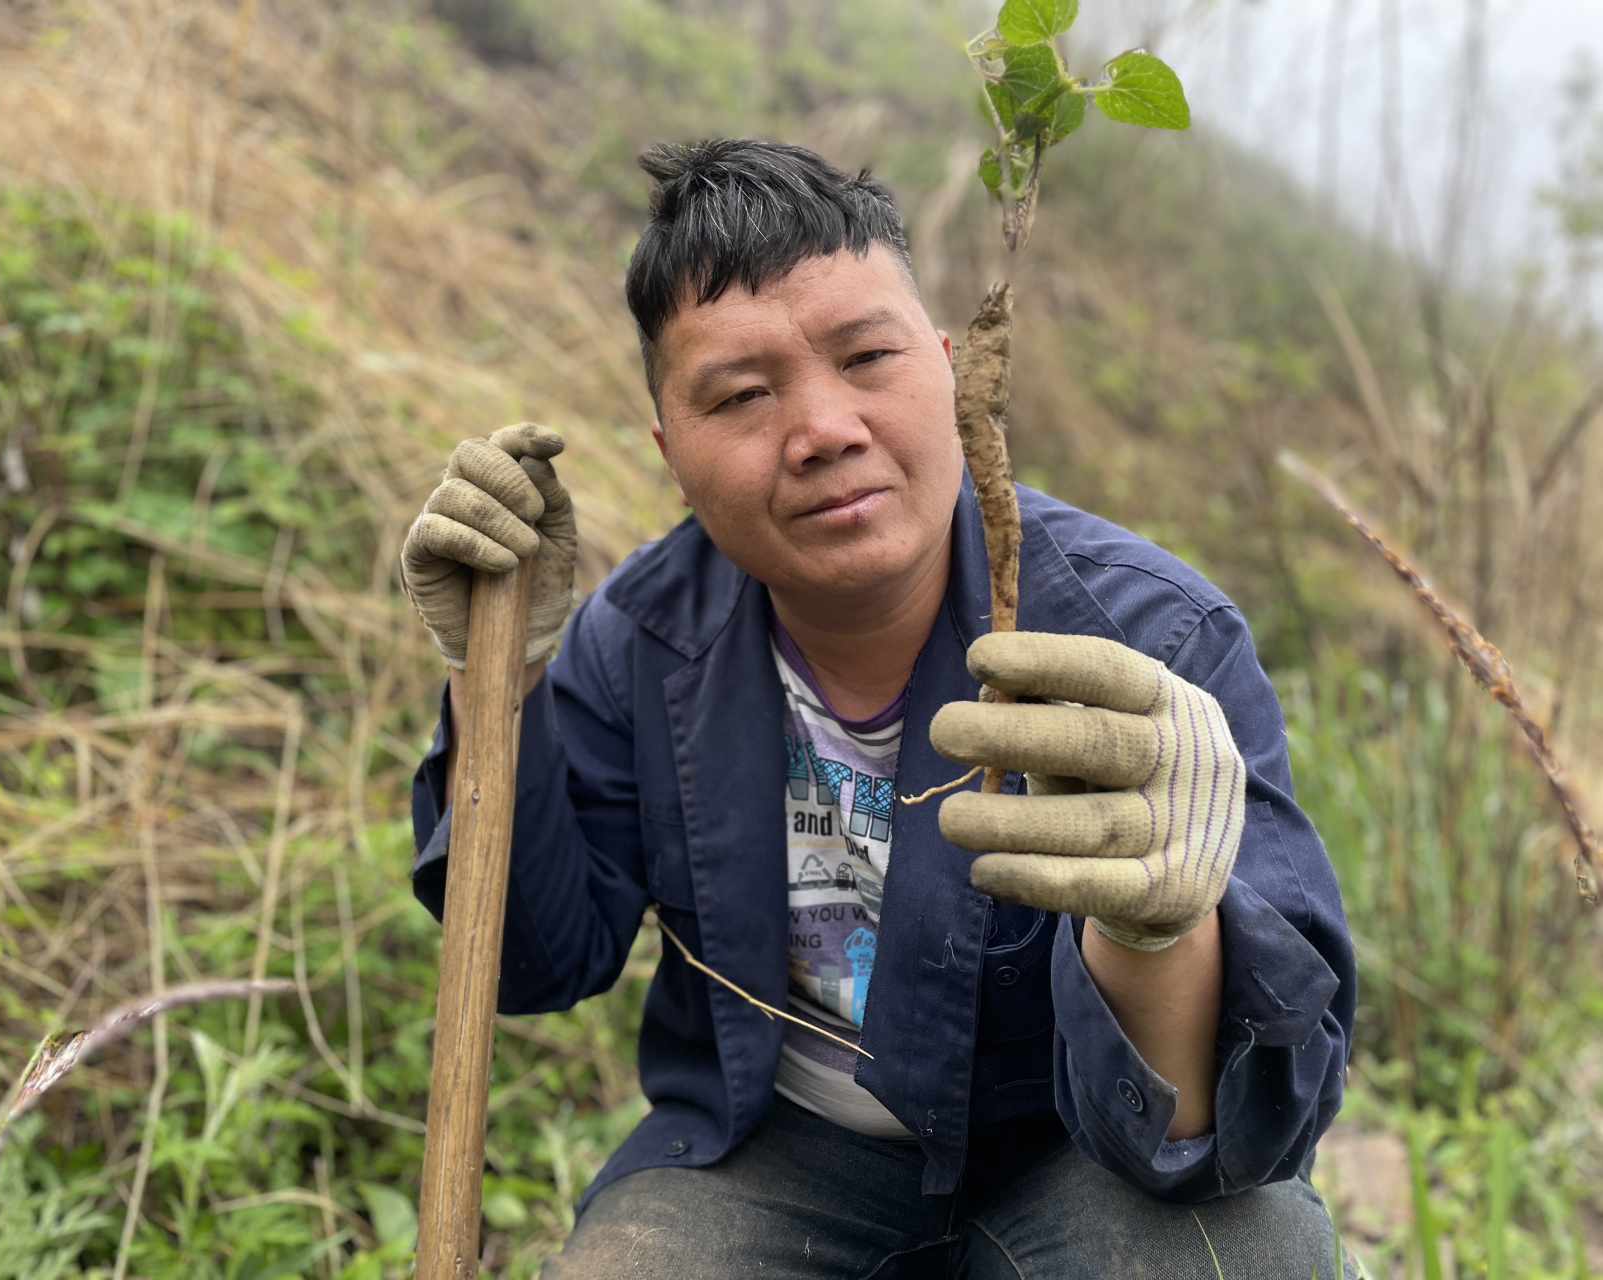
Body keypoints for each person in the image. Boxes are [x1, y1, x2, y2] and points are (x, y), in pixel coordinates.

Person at [401, 139, 1355, 1278]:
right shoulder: (642, 641)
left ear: (953, 370)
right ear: (670, 453)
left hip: (1089, 1155)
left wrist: (1163, 925)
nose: (822, 429)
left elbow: (1256, 1113)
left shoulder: (1154, 643)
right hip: (776, 1152)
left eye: (867, 357)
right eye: (743, 394)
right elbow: (532, 960)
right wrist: (491, 680)